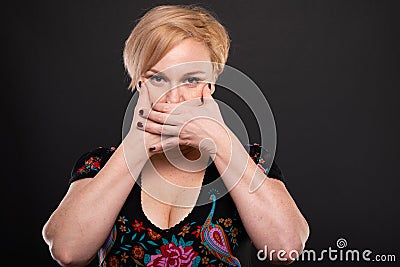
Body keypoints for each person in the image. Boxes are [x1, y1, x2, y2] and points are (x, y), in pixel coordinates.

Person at [42, 4, 309, 267]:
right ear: (139, 84)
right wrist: (137, 144)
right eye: (158, 79)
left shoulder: (250, 160)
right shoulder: (100, 165)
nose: (174, 98)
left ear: (210, 85)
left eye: (191, 80)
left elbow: (286, 247)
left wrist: (218, 140)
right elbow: (67, 251)